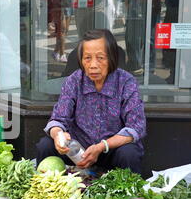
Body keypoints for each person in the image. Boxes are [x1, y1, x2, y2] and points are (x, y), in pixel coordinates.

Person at [36, 29, 146, 175]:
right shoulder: (75, 81)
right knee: (46, 145)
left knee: (129, 153)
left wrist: (102, 146)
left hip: (111, 150)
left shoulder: (126, 82)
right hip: (78, 152)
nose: (93, 65)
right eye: (87, 58)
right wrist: (58, 134)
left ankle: (129, 196)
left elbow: (136, 127)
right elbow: (58, 119)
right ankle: (47, 191)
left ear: (112, 58)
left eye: (100, 58)